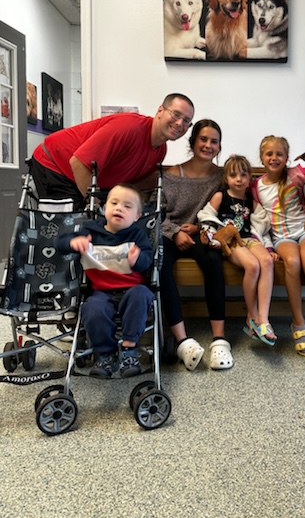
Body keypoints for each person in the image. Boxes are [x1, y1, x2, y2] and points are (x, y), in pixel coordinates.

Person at [55, 184, 154, 378]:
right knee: (92, 309)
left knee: (142, 295)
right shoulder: (90, 231)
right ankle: (106, 354)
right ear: (104, 208)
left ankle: (128, 348)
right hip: (101, 290)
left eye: (127, 206)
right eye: (114, 203)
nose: (119, 208)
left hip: (132, 287)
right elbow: (60, 243)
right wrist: (72, 242)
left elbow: (148, 261)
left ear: (137, 216)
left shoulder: (138, 235)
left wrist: (138, 259)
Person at [30, 93, 195, 210]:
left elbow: (132, 185)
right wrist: (93, 205)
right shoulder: (129, 128)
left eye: (186, 121)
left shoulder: (160, 151)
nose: (180, 123)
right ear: (160, 110)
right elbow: (78, 163)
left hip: (87, 179)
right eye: (175, 114)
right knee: (70, 229)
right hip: (55, 163)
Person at [161, 119, 233, 371]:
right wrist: (175, 232)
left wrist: (201, 228)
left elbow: (227, 211)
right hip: (169, 235)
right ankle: (182, 341)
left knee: (214, 260)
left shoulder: (223, 178)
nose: (208, 145)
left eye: (214, 141)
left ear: (219, 146)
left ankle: (219, 339)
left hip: (201, 235)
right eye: (203, 139)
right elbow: (156, 214)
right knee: (160, 265)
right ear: (193, 142)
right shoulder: (170, 176)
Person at [251, 135, 305, 358]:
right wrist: (265, 246)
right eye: (269, 154)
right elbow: (259, 221)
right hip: (281, 237)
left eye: (279, 154)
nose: (274, 158)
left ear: (287, 157)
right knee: (292, 262)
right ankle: (299, 323)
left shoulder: (298, 174)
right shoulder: (257, 186)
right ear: (262, 158)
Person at [197, 154, 277, 345]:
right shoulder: (220, 196)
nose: (239, 179)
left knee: (266, 261)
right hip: (231, 242)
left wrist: (268, 247)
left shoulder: (252, 202)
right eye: (233, 175)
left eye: (243, 175)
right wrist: (216, 235)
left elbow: (261, 229)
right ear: (226, 178)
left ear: (250, 178)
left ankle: (263, 320)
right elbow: (205, 216)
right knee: (253, 266)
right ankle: (252, 316)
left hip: (248, 239)